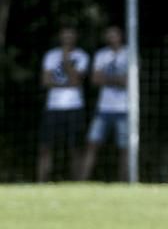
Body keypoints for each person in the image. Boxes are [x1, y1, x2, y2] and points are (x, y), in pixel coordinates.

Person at [37, 26, 90, 182]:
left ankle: (77, 183)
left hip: (75, 107)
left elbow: (76, 80)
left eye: (70, 36)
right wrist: (67, 83)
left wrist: (66, 61)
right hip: (53, 107)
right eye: (64, 36)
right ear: (60, 37)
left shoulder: (82, 56)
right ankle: (41, 182)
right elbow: (45, 81)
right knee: (46, 146)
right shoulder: (51, 55)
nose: (67, 39)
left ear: (75, 37)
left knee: (76, 147)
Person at [81, 25, 129, 181]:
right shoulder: (101, 55)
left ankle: (124, 183)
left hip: (125, 109)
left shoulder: (130, 53)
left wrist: (107, 79)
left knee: (125, 148)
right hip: (103, 109)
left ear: (120, 36)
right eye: (109, 35)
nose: (111, 38)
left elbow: (128, 81)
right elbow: (95, 79)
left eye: (114, 35)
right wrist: (117, 80)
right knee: (92, 144)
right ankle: (81, 181)